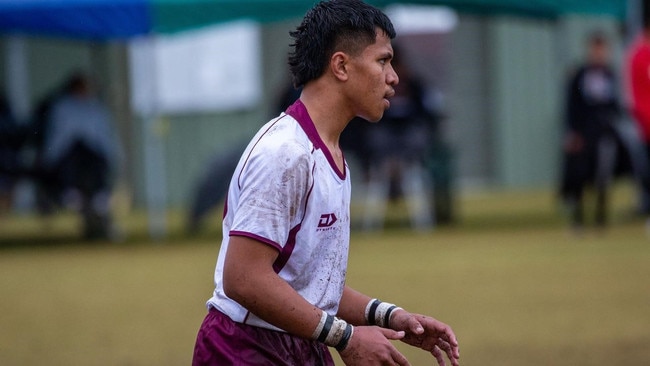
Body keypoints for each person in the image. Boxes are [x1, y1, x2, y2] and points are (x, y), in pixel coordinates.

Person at [192, 1, 460, 365]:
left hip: (302, 344)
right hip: (246, 350)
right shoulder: (286, 153)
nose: (395, 76)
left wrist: (393, 317)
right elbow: (242, 278)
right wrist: (346, 338)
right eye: (383, 60)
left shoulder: (330, 153)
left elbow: (310, 285)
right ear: (341, 65)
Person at [41, 72, 120, 239]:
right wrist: (49, 160)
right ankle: (71, 192)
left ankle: (100, 197)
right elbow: (58, 138)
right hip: (69, 159)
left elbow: (104, 139)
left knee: (93, 155)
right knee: (76, 150)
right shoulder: (63, 108)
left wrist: (113, 157)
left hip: (92, 160)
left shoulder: (96, 109)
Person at [560, 31, 621, 231]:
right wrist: (572, 132)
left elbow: (615, 105)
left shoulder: (609, 75)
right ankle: (578, 218)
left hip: (604, 132)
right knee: (579, 174)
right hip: (583, 133)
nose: (599, 54)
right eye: (596, 50)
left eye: (602, 50)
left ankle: (600, 218)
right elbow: (571, 106)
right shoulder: (579, 75)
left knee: (603, 175)